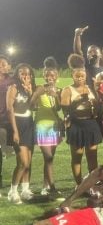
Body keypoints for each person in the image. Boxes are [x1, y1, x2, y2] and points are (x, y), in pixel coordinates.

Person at [61, 54, 102, 185]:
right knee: (77, 157)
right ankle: (79, 185)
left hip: (90, 124)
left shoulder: (90, 88)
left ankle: (92, 183)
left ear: (85, 77)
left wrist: (96, 97)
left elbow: (97, 104)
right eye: (77, 76)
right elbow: (65, 110)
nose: (80, 78)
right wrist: (78, 101)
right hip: (77, 125)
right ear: (72, 76)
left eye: (82, 76)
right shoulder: (68, 90)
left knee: (92, 156)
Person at [30, 57, 63, 198]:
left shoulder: (59, 90)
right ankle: (53, 188)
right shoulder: (39, 88)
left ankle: (45, 186)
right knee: (48, 157)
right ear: (44, 76)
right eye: (48, 75)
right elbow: (31, 106)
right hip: (42, 126)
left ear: (57, 77)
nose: (50, 77)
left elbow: (59, 108)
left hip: (54, 127)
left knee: (50, 159)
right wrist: (37, 94)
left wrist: (56, 96)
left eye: (53, 75)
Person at [6, 63, 36, 203]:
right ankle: (12, 192)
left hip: (29, 123)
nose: (26, 76)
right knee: (22, 162)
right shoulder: (13, 88)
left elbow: (33, 107)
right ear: (17, 74)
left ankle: (25, 190)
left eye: (28, 74)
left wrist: (30, 92)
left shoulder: (29, 88)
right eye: (23, 73)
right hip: (17, 124)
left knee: (28, 162)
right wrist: (15, 131)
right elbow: (9, 109)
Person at [0, 55, 13, 189]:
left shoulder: (13, 81)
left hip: (9, 120)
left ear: (9, 66)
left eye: (3, 64)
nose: (1, 66)